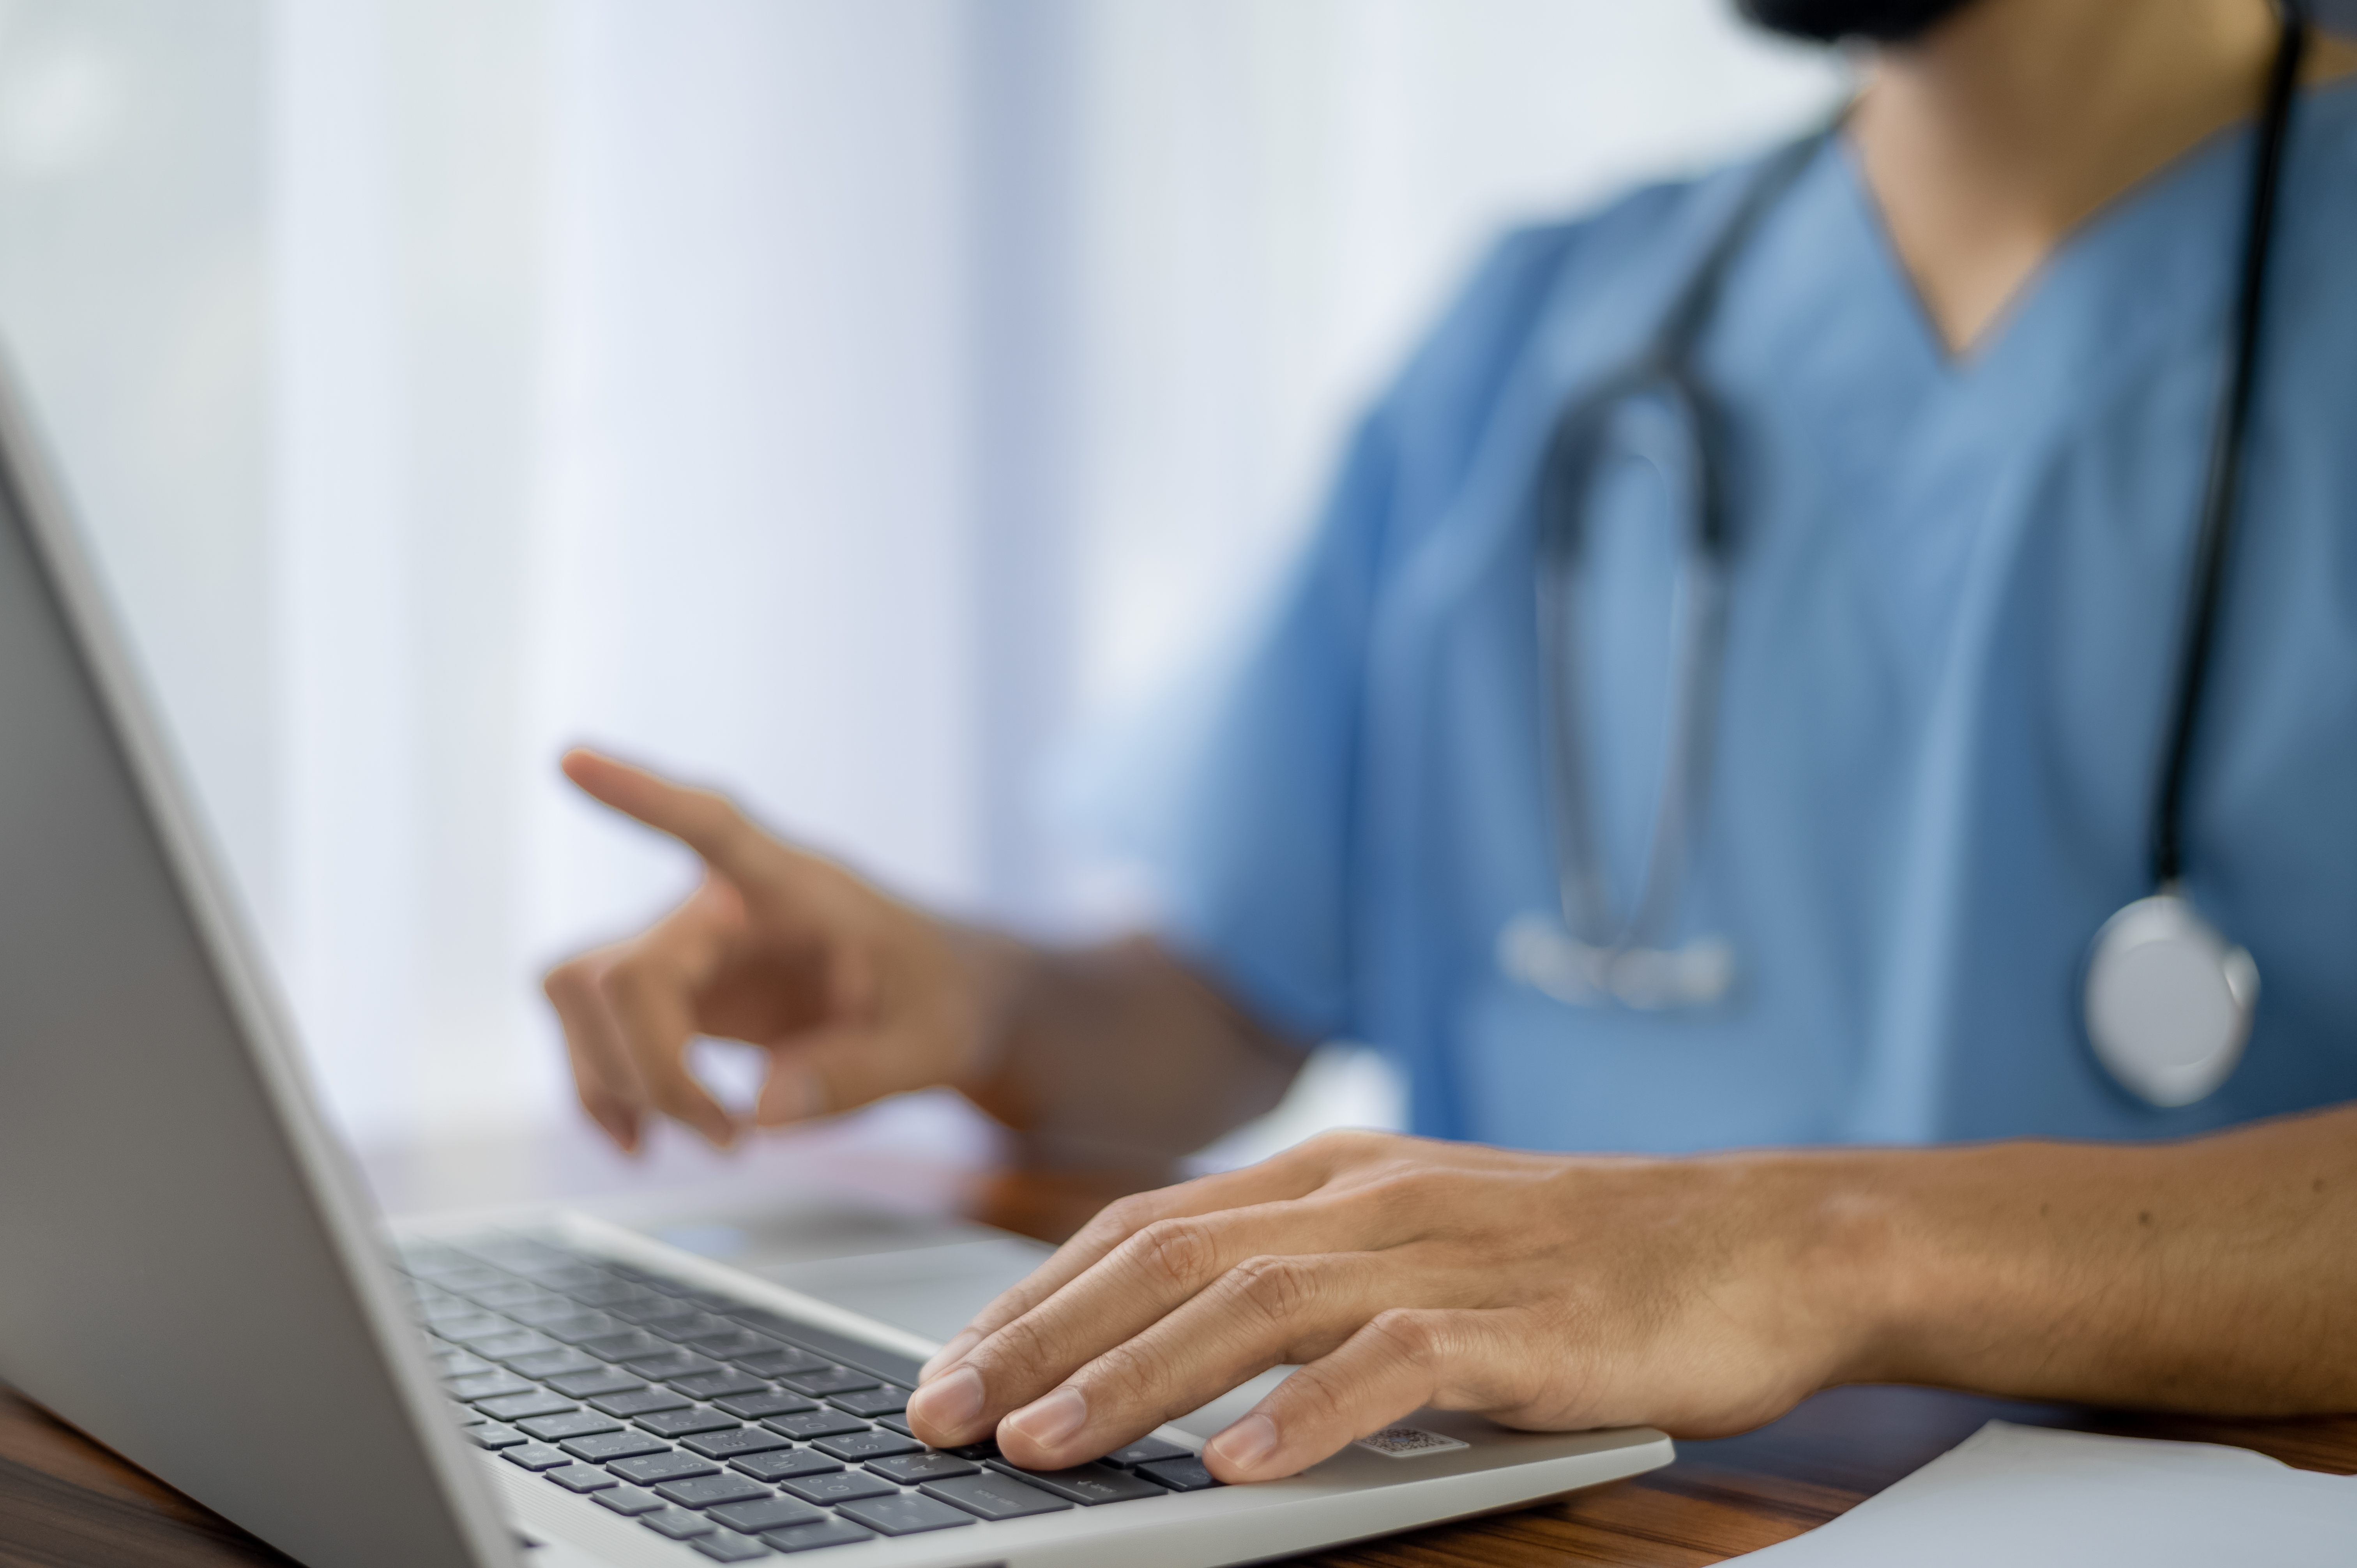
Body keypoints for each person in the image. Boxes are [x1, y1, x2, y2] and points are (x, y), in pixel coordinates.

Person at [542, 0, 2357, 1489]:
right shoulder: (1558, 322)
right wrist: (987, 1002)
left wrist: (1816, 1245)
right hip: (1501, 1518)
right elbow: (1236, 992)